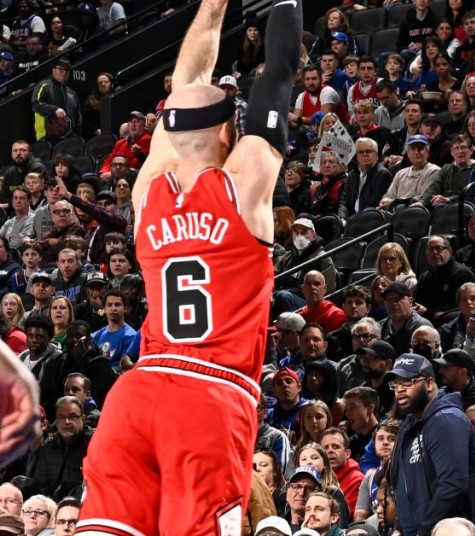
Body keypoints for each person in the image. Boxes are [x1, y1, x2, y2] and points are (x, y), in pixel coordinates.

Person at [76, 0, 301, 533]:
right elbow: (279, 71)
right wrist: (287, 5)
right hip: (209, 395)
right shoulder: (243, 184)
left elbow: (188, 84)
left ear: (171, 134)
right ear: (227, 134)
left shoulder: (148, 189)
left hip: (137, 391)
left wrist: (214, 6)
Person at [385, 354, 475, 534]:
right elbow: (406, 488)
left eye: (408, 382)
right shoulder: (410, 425)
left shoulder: (446, 419)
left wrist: (423, 530)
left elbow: (453, 484)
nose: (400, 389)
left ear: (429, 383)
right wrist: (399, 528)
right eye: (396, 384)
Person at [30, 56, 81, 142]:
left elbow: (78, 118)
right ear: (53, 69)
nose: (64, 72)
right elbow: (36, 104)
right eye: (60, 69)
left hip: (70, 141)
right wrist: (54, 109)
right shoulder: (44, 86)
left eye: (67, 70)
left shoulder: (72, 93)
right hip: (46, 139)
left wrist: (77, 136)